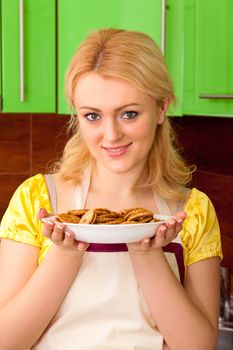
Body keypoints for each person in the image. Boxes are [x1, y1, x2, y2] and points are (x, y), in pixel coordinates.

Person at [0, 28, 222, 350]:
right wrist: (64, 253)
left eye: (129, 114)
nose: (111, 134)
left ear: (162, 108)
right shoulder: (38, 200)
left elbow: (197, 346)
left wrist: (147, 253)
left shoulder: (192, 211)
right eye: (93, 116)